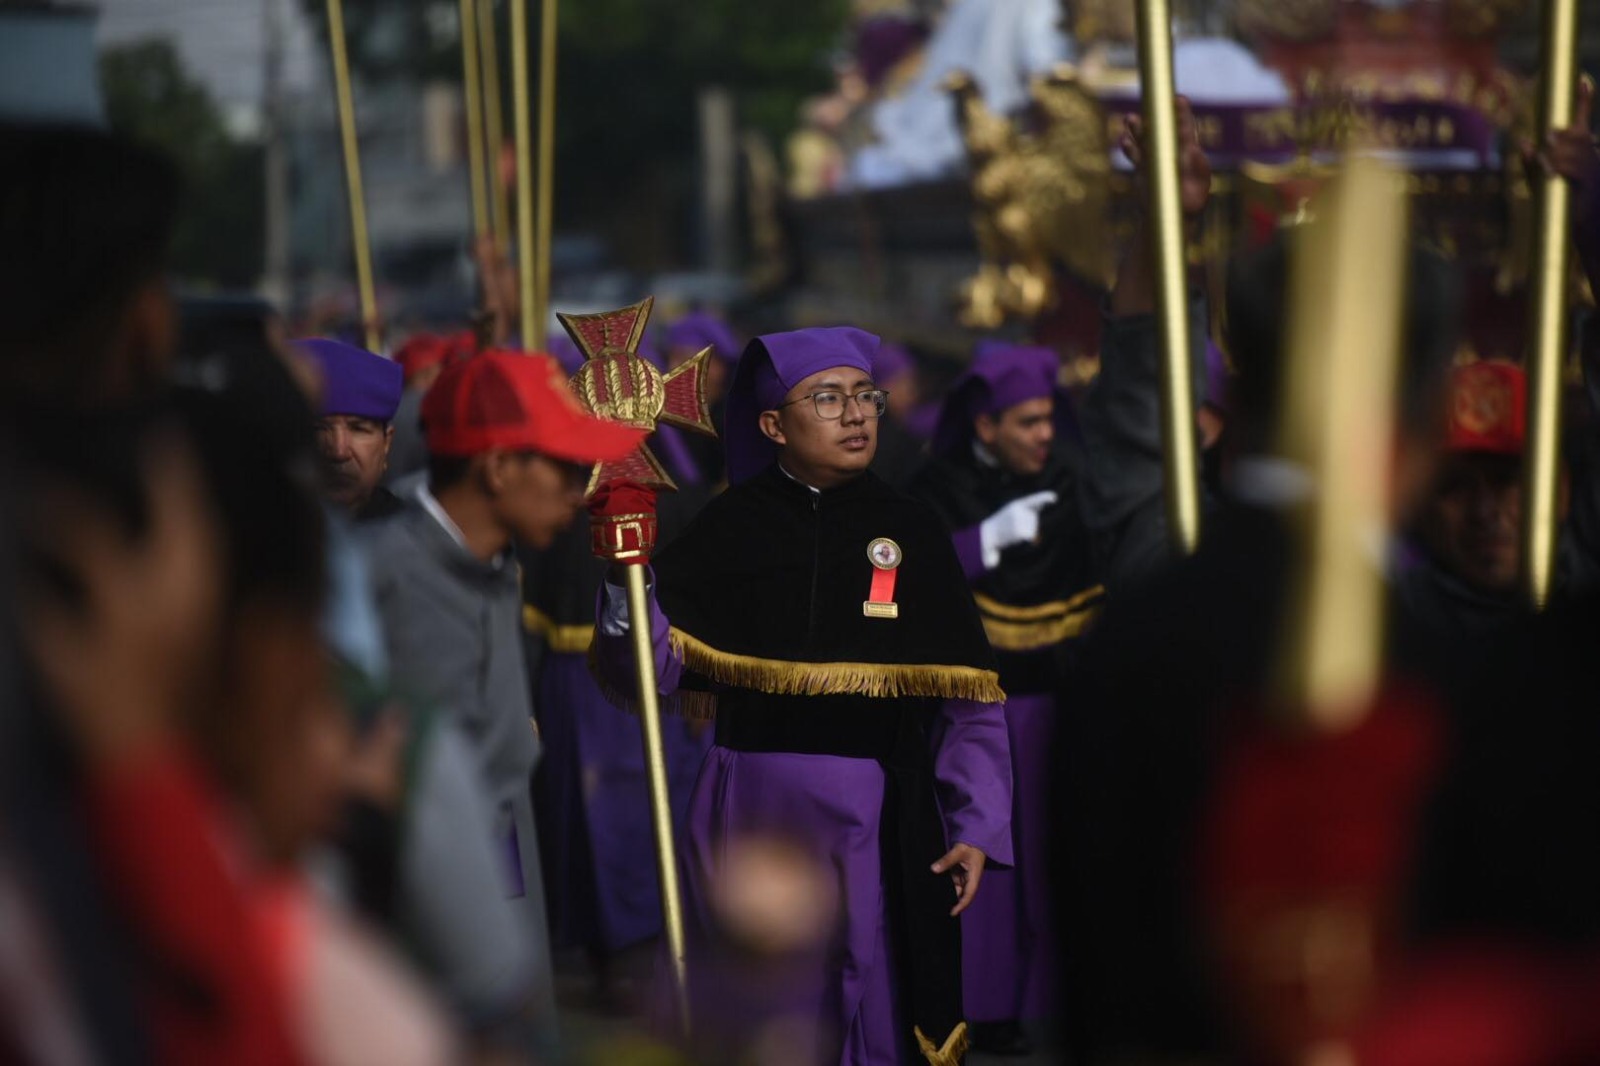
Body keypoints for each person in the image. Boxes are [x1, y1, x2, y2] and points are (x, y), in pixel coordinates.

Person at [591, 326, 1013, 1065]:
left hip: (877, 815)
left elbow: (969, 699)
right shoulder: (730, 526)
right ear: (773, 426)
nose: (856, 415)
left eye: (866, 397)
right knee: (758, 1004)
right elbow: (651, 671)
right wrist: (629, 590)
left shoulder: (911, 527)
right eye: (828, 399)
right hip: (750, 811)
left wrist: (977, 822)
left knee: (872, 1002)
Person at [365, 349, 647, 1046]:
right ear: (497, 467)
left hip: (502, 864)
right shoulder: (381, 578)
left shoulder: (495, 565)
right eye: (565, 467)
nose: (581, 490)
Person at [908, 342, 1097, 1055]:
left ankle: (1040, 1005)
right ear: (986, 427)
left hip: (1052, 708)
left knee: (1048, 862)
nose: (1044, 435)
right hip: (967, 714)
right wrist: (983, 540)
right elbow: (910, 570)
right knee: (977, 857)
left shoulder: (1072, 485)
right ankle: (978, 1007)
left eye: (1049, 420)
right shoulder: (935, 487)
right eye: (1026, 422)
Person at [299, 337, 406, 521]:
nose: (339, 451)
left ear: (386, 443)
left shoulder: (414, 538)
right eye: (318, 428)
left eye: (358, 429)